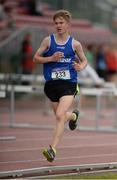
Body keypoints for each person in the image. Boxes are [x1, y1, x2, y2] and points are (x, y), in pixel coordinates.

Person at [33, 9, 87, 162]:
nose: (58, 25)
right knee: (61, 118)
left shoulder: (75, 44)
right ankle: (74, 116)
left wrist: (81, 67)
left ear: (68, 24)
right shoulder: (48, 41)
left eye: (61, 22)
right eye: (56, 23)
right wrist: (51, 58)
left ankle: (52, 149)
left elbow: (84, 60)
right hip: (52, 85)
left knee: (58, 116)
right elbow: (35, 58)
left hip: (69, 84)